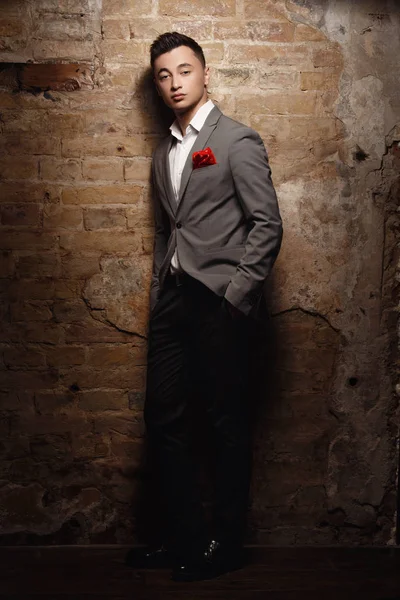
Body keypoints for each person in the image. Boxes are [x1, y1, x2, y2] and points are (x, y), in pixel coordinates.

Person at [126, 32, 283, 582]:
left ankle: (227, 543)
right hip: (172, 303)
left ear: (205, 73)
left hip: (219, 303)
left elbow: (267, 224)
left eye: (184, 71)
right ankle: (183, 537)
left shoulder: (237, 140)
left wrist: (236, 298)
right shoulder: (163, 150)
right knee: (163, 418)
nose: (174, 83)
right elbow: (171, 229)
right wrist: (157, 293)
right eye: (164, 76)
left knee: (224, 424)